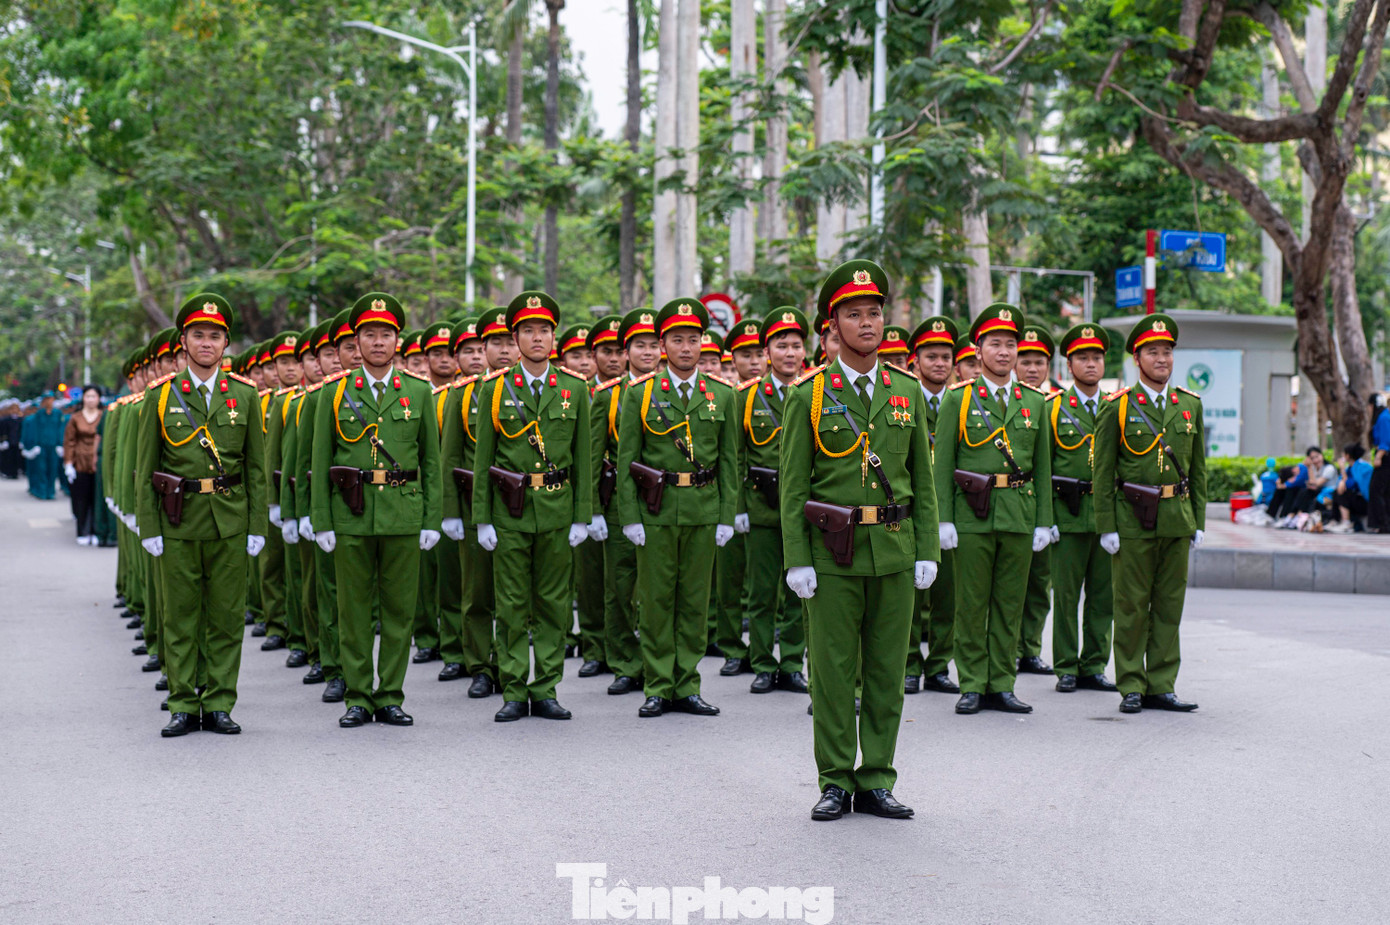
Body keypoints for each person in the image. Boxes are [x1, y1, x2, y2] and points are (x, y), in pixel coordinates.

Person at [781, 259, 939, 821]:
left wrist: (927, 550)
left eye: (874, 313)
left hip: (894, 547)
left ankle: (876, 778)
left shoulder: (907, 392)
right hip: (833, 554)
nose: (868, 323)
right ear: (832, 327)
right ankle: (833, 778)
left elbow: (922, 477)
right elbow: (794, 487)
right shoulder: (809, 396)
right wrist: (797, 559)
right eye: (855, 315)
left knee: (885, 673)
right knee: (831, 671)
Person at [134, 293, 267, 737]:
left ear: (226, 343)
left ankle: (219, 702)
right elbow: (145, 468)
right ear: (184, 342)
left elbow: (255, 468)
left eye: (214, 336)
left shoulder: (246, 397)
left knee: (227, 617)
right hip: (178, 520)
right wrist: (148, 526)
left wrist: (257, 526)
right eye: (198, 335)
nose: (206, 343)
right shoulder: (160, 397)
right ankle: (183, 704)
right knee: (180, 617)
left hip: (229, 519)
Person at [310, 292, 442, 729]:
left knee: (400, 611)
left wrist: (432, 519)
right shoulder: (333, 393)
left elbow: (431, 462)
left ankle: (390, 695)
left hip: (403, 512)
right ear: (357, 341)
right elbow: (320, 461)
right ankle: (358, 695)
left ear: (397, 340)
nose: (379, 342)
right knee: (353, 611)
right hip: (351, 513)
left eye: (386, 334)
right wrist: (321, 521)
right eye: (370, 334)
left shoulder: (419, 392)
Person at [467, 292, 591, 722]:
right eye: (528, 331)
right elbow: (483, 459)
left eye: (544, 330)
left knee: (555, 603)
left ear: (554, 336)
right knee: (512, 603)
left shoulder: (574, 388)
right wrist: (481, 518)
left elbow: (585, 458)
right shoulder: (494, 389)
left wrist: (583, 515)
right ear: (515, 337)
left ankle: (547, 687)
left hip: (557, 508)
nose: (537, 338)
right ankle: (515, 687)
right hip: (510, 511)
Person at [615, 297, 739, 719]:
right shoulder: (640, 393)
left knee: (694, 601)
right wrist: (629, 517)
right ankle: (657, 685)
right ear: (663, 344)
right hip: (657, 510)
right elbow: (625, 460)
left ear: (703, 344)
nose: (686, 348)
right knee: (655, 601)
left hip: (704, 508)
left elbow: (729, 462)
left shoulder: (721, 395)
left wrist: (727, 516)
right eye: (677, 340)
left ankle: (687, 684)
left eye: (693, 340)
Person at [934, 304, 1053, 716]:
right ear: (977, 349)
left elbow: (1043, 467)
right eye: (995, 344)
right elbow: (944, 462)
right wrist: (943, 518)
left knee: (1009, 603)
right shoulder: (959, 399)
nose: (1004, 352)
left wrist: (1044, 522)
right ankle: (971, 683)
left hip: (1019, 513)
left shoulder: (1035, 402)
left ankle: (1001, 683)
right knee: (971, 603)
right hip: (972, 513)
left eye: (1010, 344)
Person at [1093, 313, 1207, 714]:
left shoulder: (1189, 405)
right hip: (1132, 520)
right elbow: (1103, 471)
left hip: (1176, 518)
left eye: (1168, 351)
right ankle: (1131, 685)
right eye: (1153, 352)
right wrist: (1106, 525)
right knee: (1131, 605)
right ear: (1136, 358)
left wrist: (1199, 520)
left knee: (1169, 605)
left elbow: (1198, 469)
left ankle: (1162, 683)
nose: (1162, 359)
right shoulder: (1119, 407)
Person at [586, 310, 660, 697]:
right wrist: (593, 510)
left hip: (662, 501)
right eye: (639, 346)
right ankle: (625, 663)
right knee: (620, 584)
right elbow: (594, 454)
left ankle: (656, 662)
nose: (646, 352)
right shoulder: (608, 395)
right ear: (627, 351)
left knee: (658, 587)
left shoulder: (667, 388)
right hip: (618, 501)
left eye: (652, 345)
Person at [737, 307, 810, 695]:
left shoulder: (816, 391)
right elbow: (736, 456)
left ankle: (794, 662)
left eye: (796, 346)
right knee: (763, 592)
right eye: (781, 346)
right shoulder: (747, 397)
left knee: (802, 589)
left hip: (805, 512)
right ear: (767, 352)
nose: (789, 353)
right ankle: (764, 663)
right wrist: (736, 510)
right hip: (762, 509)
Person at [1048, 324, 1118, 694]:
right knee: (1067, 597)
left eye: (1097, 357)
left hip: (1105, 516)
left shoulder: (1115, 407)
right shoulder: (1054, 409)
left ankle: (1094, 664)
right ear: (1069, 364)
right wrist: (1047, 519)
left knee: (1103, 597)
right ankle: (1066, 666)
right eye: (1083, 358)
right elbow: (1043, 466)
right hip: (1068, 513)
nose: (1091, 364)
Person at [904, 315, 960, 695]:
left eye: (945, 357)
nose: (939, 363)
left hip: (954, 512)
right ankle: (909, 664)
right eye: (931, 356)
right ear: (915, 361)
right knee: (909, 596)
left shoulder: (963, 401)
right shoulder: (901, 398)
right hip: (910, 514)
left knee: (948, 596)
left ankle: (939, 665)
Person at [557, 321, 607, 678]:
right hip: (571, 497)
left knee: (619, 581)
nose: (586, 362)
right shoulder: (566, 393)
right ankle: (590, 643)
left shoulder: (626, 392)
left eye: (592, 355)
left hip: (614, 495)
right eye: (577, 355)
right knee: (585, 578)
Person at [1014, 324, 1057, 676]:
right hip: (1012, 504)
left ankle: (1030, 647)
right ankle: (1008, 646)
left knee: (1039, 585)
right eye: (1025, 361)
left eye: (1038, 362)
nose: (1032, 368)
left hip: (1048, 506)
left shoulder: (1055, 405)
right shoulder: (1010, 401)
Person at [64, 385, 105, 545]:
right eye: (87, 396)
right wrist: (68, 463)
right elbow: (69, 441)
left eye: (93, 396)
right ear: (83, 399)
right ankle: (82, 531)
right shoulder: (76, 418)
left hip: (98, 462)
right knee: (81, 499)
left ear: (99, 398)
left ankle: (96, 530)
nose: (90, 399)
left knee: (97, 498)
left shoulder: (104, 416)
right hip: (79, 462)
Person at [22, 392, 66, 500]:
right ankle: (42, 491)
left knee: (53, 469)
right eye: (46, 399)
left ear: (53, 399)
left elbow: (61, 429)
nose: (48, 402)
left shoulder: (58, 413)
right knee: (41, 469)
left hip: (53, 446)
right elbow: (35, 430)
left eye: (50, 399)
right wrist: (35, 445)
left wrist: (60, 444)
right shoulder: (39, 414)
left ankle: (50, 491)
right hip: (41, 446)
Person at [1325, 444, 1373, 533]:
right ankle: (1335, 520)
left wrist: (1342, 471)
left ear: (1347, 455)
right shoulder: (1349, 468)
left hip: (1365, 502)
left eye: (1343, 454)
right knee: (1336, 492)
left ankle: (1346, 523)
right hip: (1355, 499)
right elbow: (1340, 485)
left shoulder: (1363, 467)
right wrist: (1342, 480)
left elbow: (1352, 484)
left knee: (1343, 493)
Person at [1368, 396, 1390, 531]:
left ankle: (1382, 523)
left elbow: (1385, 441)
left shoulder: (1384, 417)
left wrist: (1378, 457)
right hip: (1384, 457)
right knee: (1386, 491)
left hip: (1384, 458)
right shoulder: (1385, 417)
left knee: (1376, 490)